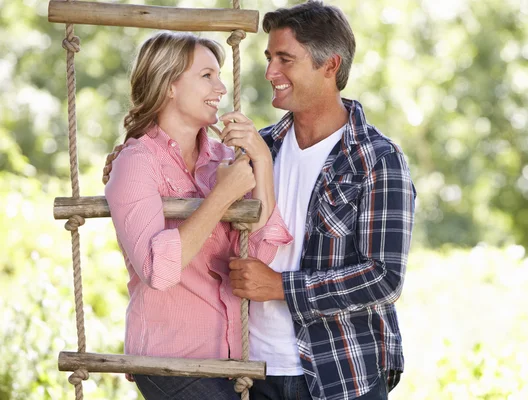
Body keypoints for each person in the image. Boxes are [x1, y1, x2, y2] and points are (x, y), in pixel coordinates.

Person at [227, 2, 416, 400]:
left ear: (329, 65)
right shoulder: (259, 149)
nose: (269, 73)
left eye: (285, 59)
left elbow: (384, 277)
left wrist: (281, 287)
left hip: (340, 374)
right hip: (253, 371)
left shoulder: (378, 159)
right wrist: (127, 161)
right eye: (268, 58)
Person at [104, 31, 291, 400]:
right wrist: (222, 196)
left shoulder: (224, 159)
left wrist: (262, 159)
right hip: (167, 361)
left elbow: (258, 255)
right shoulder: (136, 163)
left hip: (230, 361)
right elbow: (158, 270)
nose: (221, 88)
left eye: (219, 76)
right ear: (169, 84)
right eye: (207, 75)